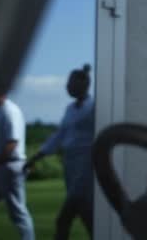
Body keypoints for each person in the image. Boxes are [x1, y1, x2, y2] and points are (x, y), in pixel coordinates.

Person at [24, 64, 95, 239]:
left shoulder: (94, 107)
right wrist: (36, 157)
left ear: (82, 85)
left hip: (86, 166)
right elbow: (59, 135)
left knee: (64, 218)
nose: (67, 87)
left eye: (70, 83)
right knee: (87, 216)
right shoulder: (70, 109)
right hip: (70, 166)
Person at [0, 89, 35, 240]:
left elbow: (12, 143)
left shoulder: (10, 111)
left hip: (9, 167)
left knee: (18, 212)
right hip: (2, 167)